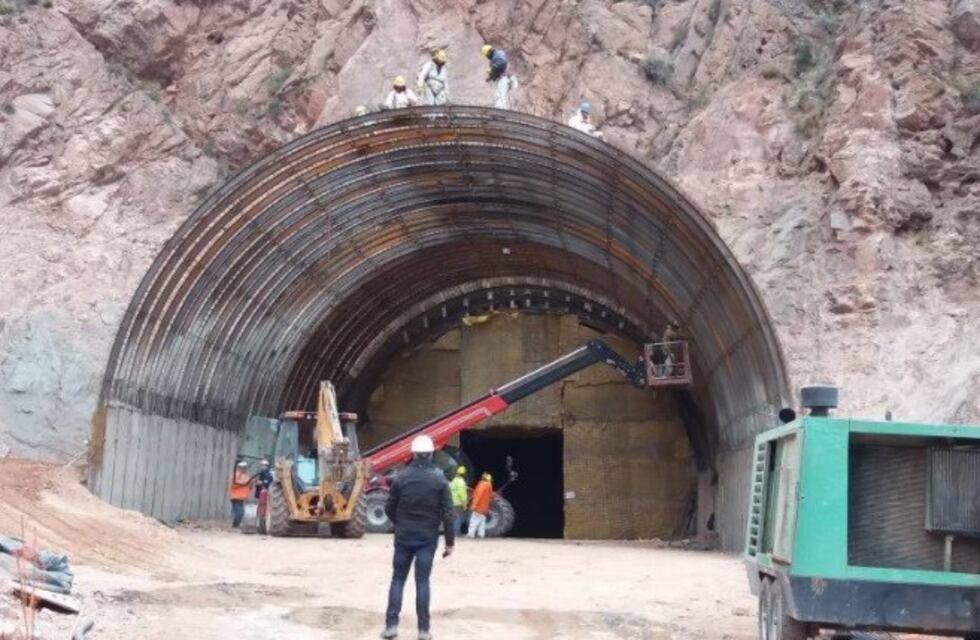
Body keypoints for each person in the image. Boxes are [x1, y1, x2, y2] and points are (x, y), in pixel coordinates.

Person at [381, 435, 454, 640]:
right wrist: (449, 543)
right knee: (422, 582)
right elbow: (448, 514)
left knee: (397, 580)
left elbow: (389, 508)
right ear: (431, 454)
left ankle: (391, 627)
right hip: (427, 538)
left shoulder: (401, 478)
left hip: (404, 537)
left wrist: (400, 523)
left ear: (412, 454)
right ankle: (423, 631)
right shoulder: (440, 480)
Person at [481, 44, 514, 109]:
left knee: (501, 96)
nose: (487, 57)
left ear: (488, 53)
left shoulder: (498, 55)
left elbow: (502, 62)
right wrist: (490, 77)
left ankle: (500, 113)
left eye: (487, 55)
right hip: (502, 79)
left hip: (503, 78)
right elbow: (496, 70)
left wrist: (493, 68)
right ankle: (500, 111)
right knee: (499, 95)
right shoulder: (495, 57)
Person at [467, 472, 493, 538]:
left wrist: (474, 505)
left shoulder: (482, 485)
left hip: (479, 506)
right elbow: (489, 497)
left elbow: (478, 495)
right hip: (484, 507)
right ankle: (481, 534)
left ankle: (470, 534)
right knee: (482, 521)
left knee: (474, 520)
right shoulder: (489, 486)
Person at [228, 460, 251, 528]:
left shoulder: (247, 476)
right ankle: (235, 525)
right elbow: (233, 485)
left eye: (245, 467)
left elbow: (249, 486)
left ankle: (236, 525)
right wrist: (245, 483)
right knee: (239, 513)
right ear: (239, 468)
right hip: (235, 497)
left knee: (240, 513)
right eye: (243, 467)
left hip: (242, 497)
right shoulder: (234, 475)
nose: (244, 469)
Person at [449, 466, 468, 533]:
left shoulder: (454, 480)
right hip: (458, 503)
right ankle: (456, 532)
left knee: (454, 517)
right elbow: (461, 493)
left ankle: (453, 531)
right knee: (461, 517)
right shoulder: (461, 481)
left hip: (452, 502)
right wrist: (464, 503)